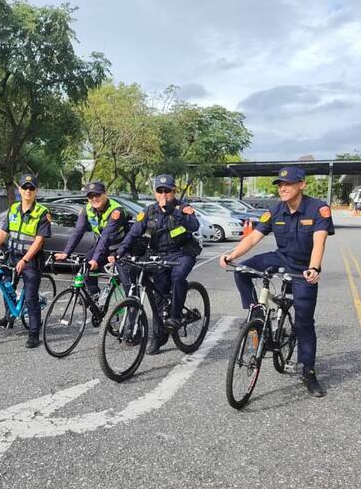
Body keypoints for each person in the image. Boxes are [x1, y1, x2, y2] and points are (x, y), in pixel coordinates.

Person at [220, 166, 334, 397]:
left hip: (303, 268)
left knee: (303, 322)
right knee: (241, 271)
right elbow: (254, 236)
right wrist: (232, 255)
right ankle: (257, 314)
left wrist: (314, 268)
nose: (283, 188)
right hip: (280, 258)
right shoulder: (275, 210)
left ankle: (308, 371)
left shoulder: (317, 208)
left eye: (288, 184)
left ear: (301, 184)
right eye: (280, 185)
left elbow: (319, 241)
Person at [115, 174, 201, 355]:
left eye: (167, 191)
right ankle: (158, 336)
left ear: (173, 191)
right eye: (159, 191)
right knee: (158, 299)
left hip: (182, 253)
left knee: (178, 276)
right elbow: (133, 233)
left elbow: (194, 226)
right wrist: (121, 250)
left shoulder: (183, 208)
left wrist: (174, 211)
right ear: (155, 193)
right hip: (159, 256)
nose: (163, 194)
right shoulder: (149, 211)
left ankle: (176, 317)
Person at [0, 173, 52, 349]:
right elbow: (3, 232)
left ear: (36, 191)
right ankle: (8, 316)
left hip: (31, 260)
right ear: (19, 190)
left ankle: (34, 333)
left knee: (30, 297)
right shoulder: (13, 209)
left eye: (31, 188)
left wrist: (26, 259)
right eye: (25, 188)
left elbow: (39, 240)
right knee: (6, 285)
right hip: (12, 256)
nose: (28, 191)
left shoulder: (42, 212)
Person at [54, 181, 130, 298]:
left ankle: (133, 308)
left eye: (98, 195)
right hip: (104, 247)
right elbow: (78, 232)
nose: (94, 198)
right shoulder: (87, 209)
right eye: (90, 196)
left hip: (122, 248)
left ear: (105, 194)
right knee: (86, 265)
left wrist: (96, 259)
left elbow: (106, 236)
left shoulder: (116, 211)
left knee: (126, 279)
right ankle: (95, 297)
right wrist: (66, 253)